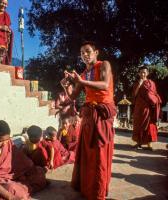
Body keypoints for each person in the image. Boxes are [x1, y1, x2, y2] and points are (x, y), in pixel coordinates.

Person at [61, 41, 116, 200]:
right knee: (87, 152)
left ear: (96, 52)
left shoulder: (104, 64)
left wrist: (81, 81)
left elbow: (105, 85)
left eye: (87, 51)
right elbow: (72, 97)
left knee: (99, 153)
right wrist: (66, 86)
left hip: (101, 114)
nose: (84, 55)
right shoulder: (84, 73)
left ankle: (97, 190)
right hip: (89, 115)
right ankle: (85, 186)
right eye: (82, 53)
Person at [0, 120, 47, 200]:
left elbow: (23, 160)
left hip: (15, 174)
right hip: (0, 181)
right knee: (13, 189)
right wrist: (11, 197)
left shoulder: (8, 143)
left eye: (7, 139)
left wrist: (32, 170)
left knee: (39, 174)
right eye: (0, 141)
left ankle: (25, 188)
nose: (5, 143)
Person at [132, 65, 161, 150]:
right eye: (141, 72)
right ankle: (138, 143)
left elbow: (153, 94)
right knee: (138, 125)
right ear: (139, 73)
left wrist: (154, 102)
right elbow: (134, 95)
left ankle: (149, 144)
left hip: (148, 107)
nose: (143, 74)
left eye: (144, 72)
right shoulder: (137, 83)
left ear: (147, 73)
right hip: (139, 107)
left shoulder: (151, 83)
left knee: (149, 125)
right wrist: (139, 85)